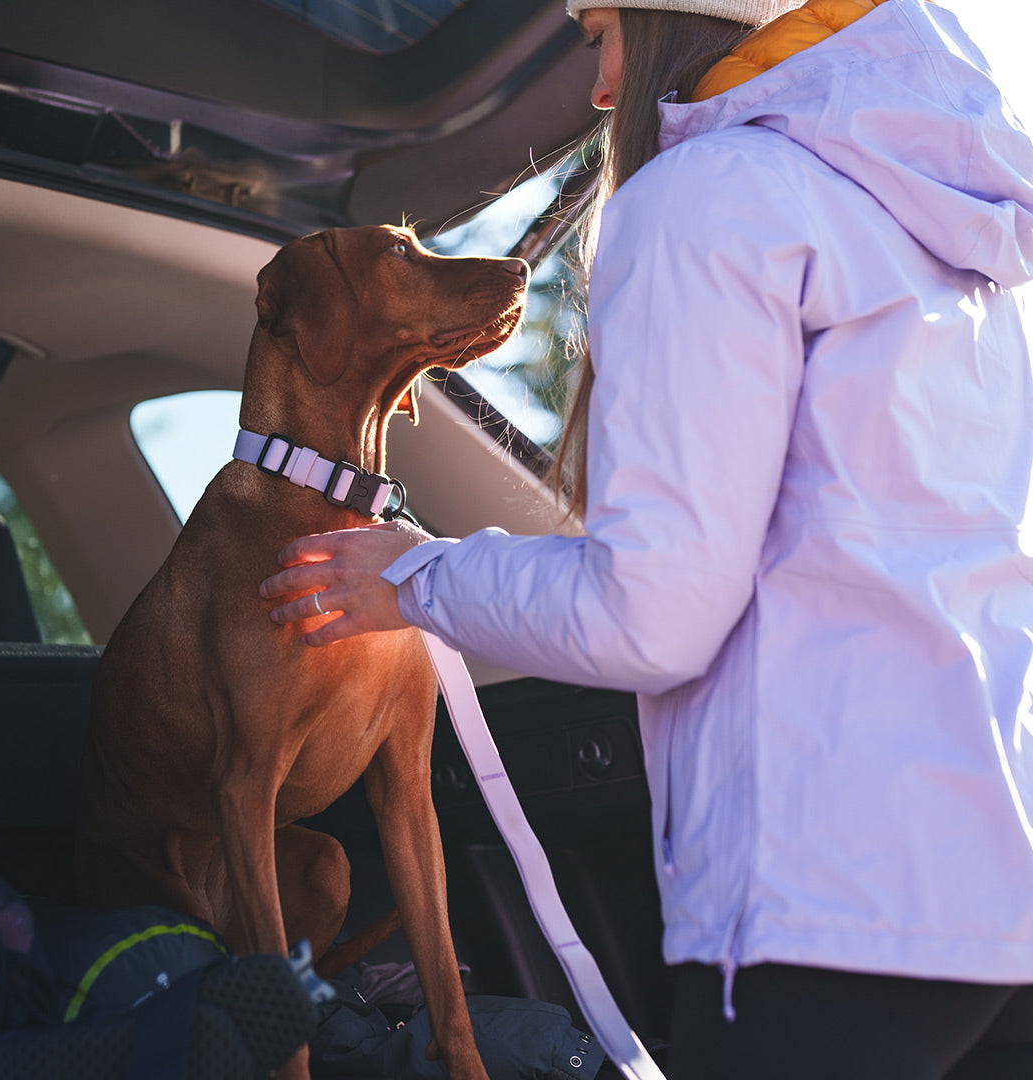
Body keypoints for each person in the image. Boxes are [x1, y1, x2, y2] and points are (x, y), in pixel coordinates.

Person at [260, 0, 1033, 1074]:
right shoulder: (943, 218)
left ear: (675, 23)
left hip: (835, 897)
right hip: (997, 878)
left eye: (599, 36)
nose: (600, 89)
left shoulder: (710, 200)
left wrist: (418, 577)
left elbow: (652, 615)